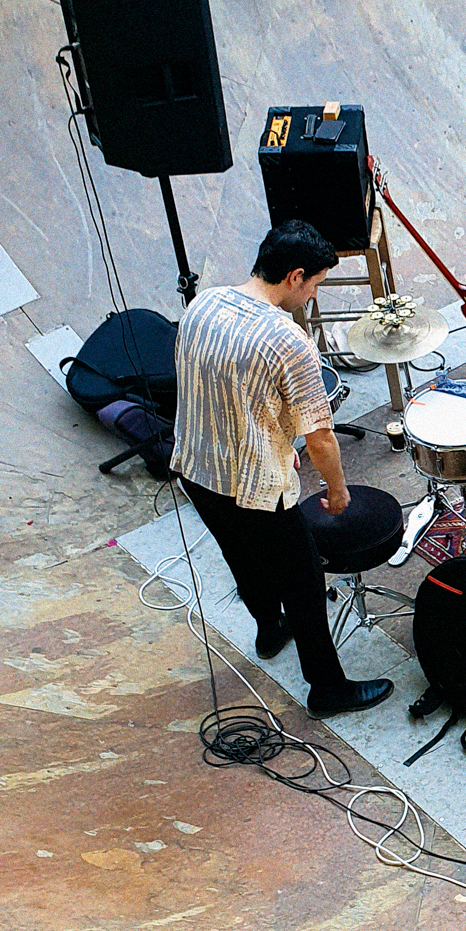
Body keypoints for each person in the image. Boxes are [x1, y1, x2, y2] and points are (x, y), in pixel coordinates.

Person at [171, 219, 393, 715]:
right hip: (254, 485)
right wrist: (336, 490)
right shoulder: (289, 341)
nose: (314, 296)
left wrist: (268, 436)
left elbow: (209, 385)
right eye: (315, 284)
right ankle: (328, 688)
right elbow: (320, 437)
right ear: (295, 276)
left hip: (195, 467)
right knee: (306, 580)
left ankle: (269, 630)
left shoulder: (202, 303)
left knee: (242, 556)